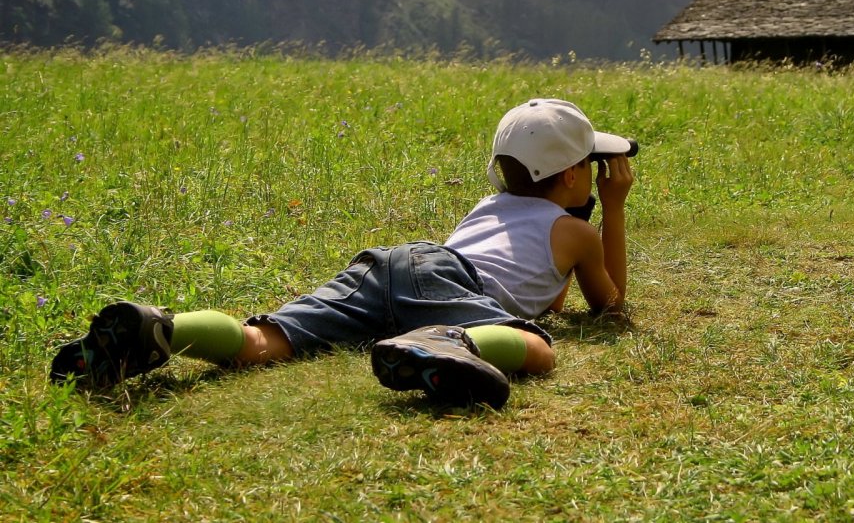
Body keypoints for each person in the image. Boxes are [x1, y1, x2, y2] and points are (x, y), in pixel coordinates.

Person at [49, 98, 635, 409]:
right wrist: (614, 205)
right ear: (571, 175)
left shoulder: (487, 206)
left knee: (265, 343)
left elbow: (544, 287)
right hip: (449, 286)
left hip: (399, 262)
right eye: (593, 163)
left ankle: (164, 330)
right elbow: (608, 303)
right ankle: (448, 341)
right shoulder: (577, 234)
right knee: (538, 349)